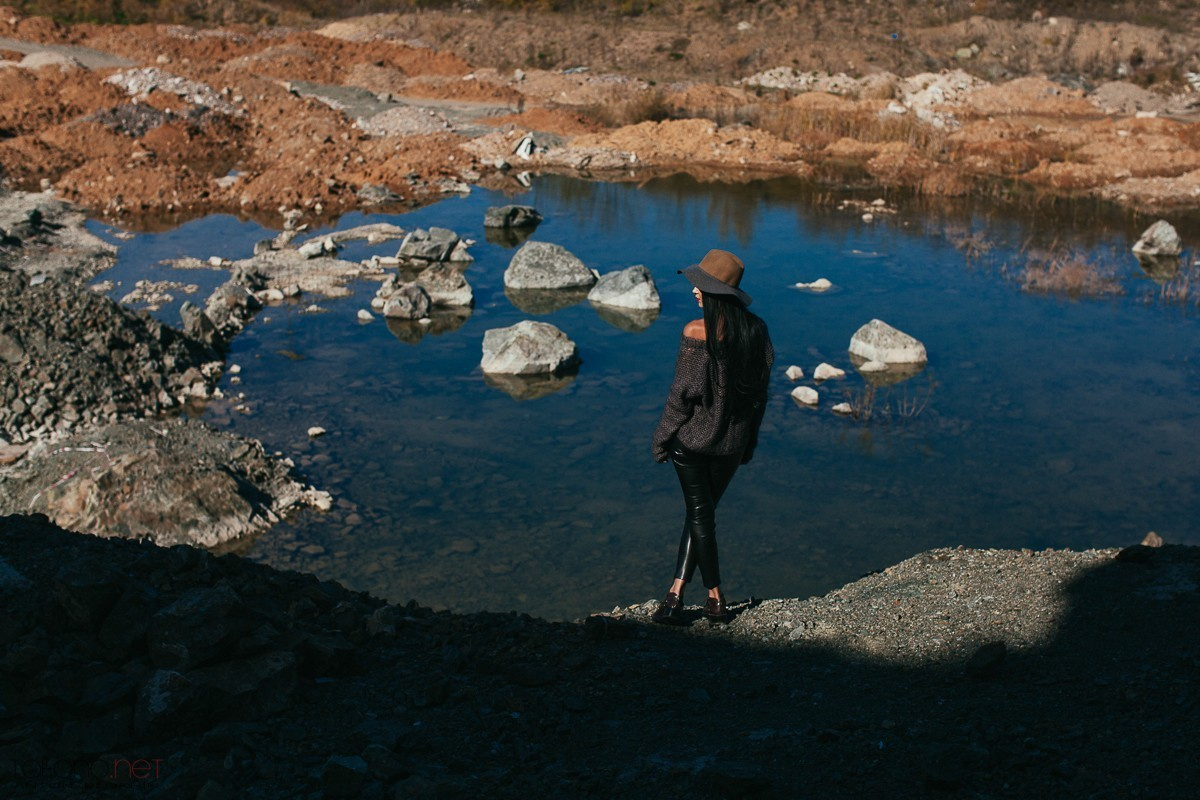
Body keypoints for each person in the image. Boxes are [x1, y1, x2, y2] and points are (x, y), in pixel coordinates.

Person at [650, 249, 774, 625]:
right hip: (732, 446)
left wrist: (660, 440)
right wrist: (749, 443)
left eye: (701, 286)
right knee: (700, 515)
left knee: (700, 516)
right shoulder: (756, 332)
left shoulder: (695, 333)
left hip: (692, 446)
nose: (694, 291)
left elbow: (680, 400)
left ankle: (715, 597)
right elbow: (759, 398)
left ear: (717, 293)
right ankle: (675, 593)